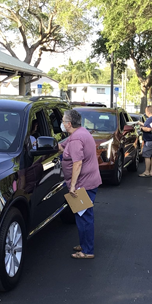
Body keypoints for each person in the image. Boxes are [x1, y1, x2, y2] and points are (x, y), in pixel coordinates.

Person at [59, 109, 102, 259]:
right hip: (88, 181)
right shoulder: (80, 133)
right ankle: (84, 244)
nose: (62, 124)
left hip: (83, 184)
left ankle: (87, 251)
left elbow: (77, 163)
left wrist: (73, 186)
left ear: (69, 124)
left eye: (63, 121)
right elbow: (62, 146)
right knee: (82, 215)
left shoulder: (77, 139)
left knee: (84, 216)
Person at [139, 106, 152, 178]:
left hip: (149, 140)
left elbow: (148, 129)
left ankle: (146, 171)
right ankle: (151, 171)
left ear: (148, 112)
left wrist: (141, 128)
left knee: (146, 156)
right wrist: (141, 123)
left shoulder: (150, 119)